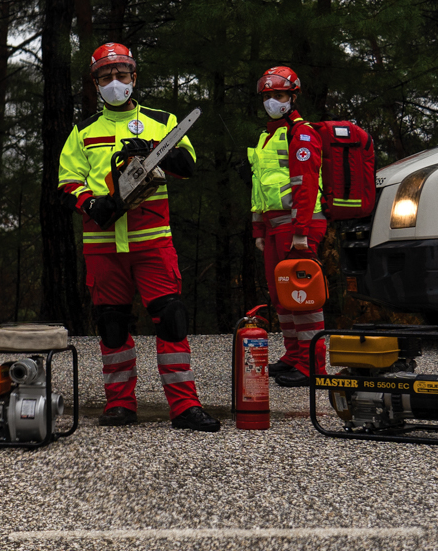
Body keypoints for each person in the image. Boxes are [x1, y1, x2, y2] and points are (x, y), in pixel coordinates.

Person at [58, 42, 220, 432]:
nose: (115, 82)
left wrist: (152, 150)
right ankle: (119, 404)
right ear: (95, 83)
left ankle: (184, 406)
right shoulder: (83, 131)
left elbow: (188, 165)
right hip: (103, 241)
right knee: (112, 323)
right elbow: (68, 179)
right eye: (106, 76)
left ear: (134, 77)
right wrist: (90, 204)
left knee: (172, 319)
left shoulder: (162, 121)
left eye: (122, 75)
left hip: (152, 238)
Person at [247, 66, 327, 386]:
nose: (272, 102)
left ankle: (313, 365)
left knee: (303, 295)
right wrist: (257, 229)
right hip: (272, 226)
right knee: (281, 295)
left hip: (298, 224)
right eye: (267, 96)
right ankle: (294, 355)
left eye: (278, 96)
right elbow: (259, 186)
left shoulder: (302, 133)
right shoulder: (267, 136)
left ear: (292, 97)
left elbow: (305, 185)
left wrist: (301, 231)